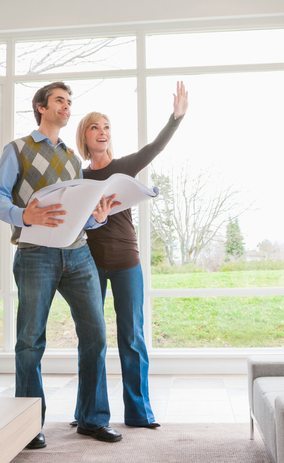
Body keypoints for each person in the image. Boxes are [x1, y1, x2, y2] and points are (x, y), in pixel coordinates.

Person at [0, 81, 123, 448]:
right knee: (30, 341)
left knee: (95, 335)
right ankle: (28, 424)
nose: (66, 107)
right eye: (60, 101)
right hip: (35, 254)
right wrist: (23, 215)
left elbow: (76, 213)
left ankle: (92, 419)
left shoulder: (72, 158)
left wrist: (96, 217)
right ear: (41, 107)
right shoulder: (17, 149)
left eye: (69, 102)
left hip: (78, 253)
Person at [73, 81, 188, 428]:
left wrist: (176, 118)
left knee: (132, 338)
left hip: (126, 263)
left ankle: (139, 413)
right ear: (85, 136)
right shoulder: (77, 178)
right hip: (89, 265)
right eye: (95, 126)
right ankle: (86, 412)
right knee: (91, 340)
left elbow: (155, 147)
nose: (102, 131)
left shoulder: (124, 167)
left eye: (106, 126)